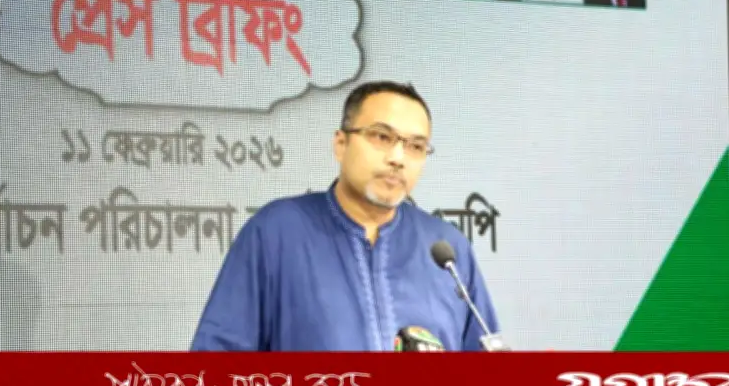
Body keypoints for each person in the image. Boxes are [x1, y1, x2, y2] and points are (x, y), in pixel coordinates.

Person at [190, 81, 500, 351]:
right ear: (341, 144)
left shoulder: (447, 249)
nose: (398, 158)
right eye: (381, 137)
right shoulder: (277, 232)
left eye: (416, 146)